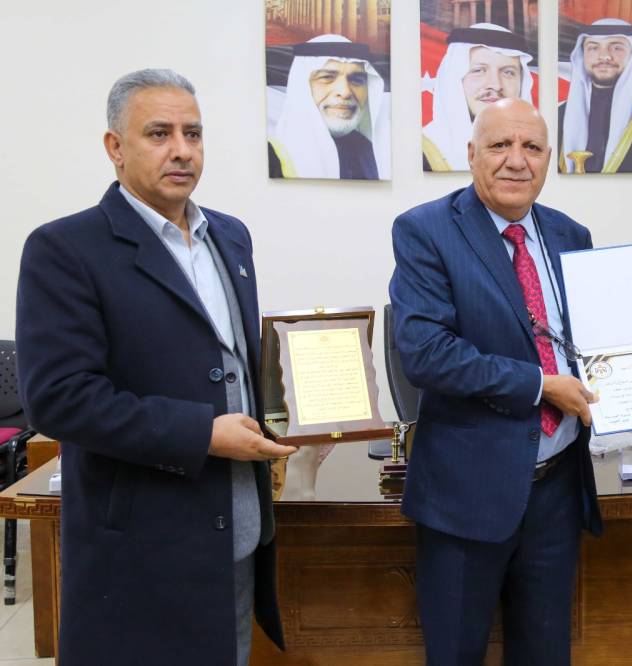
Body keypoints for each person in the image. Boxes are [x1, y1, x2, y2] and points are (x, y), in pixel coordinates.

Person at [16, 69, 297, 666]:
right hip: (141, 546)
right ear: (115, 147)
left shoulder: (230, 237)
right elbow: (60, 398)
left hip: (237, 532)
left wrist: (287, 413)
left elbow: (228, 363)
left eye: (193, 133)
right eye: (159, 133)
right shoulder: (65, 249)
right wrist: (203, 434)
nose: (182, 150)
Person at [390, 98, 602, 664]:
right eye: (500, 145)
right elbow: (427, 353)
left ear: (549, 158)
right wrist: (541, 385)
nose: (516, 160)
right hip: (467, 494)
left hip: (557, 490)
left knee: (545, 655)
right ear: (471, 153)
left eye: (531, 147)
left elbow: (594, 340)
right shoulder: (426, 230)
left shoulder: (570, 234)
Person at [559, 18, 632, 174]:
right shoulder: (561, 114)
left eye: (616, 47)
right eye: (593, 48)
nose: (604, 56)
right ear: (582, 55)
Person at [269, 34, 390, 180]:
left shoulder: (371, 153)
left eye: (356, 79)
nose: (345, 92)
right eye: (327, 77)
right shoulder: (273, 155)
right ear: (302, 87)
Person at [422, 23, 534, 171]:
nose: (495, 85)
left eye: (508, 72)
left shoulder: (536, 153)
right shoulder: (423, 152)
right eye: (479, 70)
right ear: (454, 80)